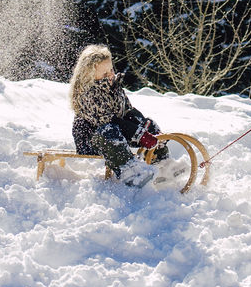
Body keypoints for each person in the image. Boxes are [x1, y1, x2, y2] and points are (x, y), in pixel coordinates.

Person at [69, 45, 175, 187]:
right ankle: (129, 172)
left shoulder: (114, 86)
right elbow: (109, 121)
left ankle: (163, 166)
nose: (110, 75)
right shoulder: (87, 93)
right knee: (109, 130)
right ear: (89, 75)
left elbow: (128, 111)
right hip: (92, 138)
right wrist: (139, 135)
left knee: (149, 124)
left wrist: (146, 128)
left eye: (111, 70)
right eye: (104, 74)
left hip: (117, 130)